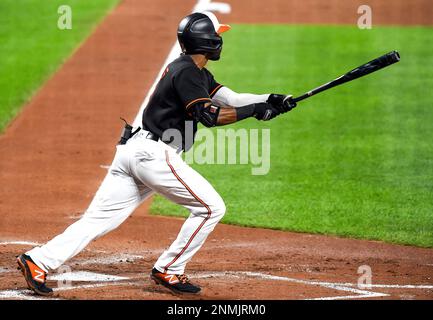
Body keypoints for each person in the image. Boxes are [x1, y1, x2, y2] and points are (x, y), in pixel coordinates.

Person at [16, 11, 296, 296]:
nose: (221, 40)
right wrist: (255, 111)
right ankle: (169, 270)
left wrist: (270, 99)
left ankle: (37, 260)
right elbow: (210, 116)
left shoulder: (191, 69)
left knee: (98, 219)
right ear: (209, 41)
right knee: (211, 207)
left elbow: (232, 99)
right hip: (153, 156)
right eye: (218, 35)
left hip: (133, 152)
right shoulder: (188, 72)